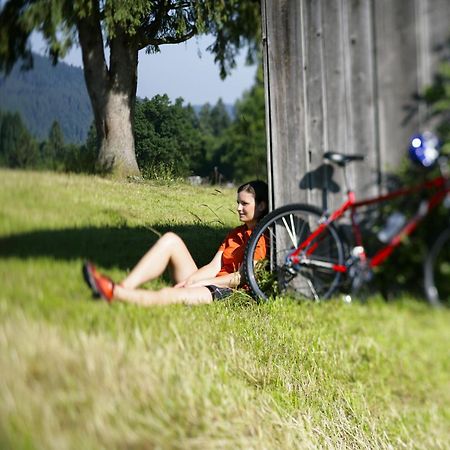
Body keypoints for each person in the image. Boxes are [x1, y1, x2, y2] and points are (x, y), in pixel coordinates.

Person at [82, 180, 268, 307]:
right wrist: (193, 280)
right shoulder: (236, 233)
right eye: (237, 202)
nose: (238, 208)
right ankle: (125, 286)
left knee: (169, 295)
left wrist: (202, 283)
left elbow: (241, 278)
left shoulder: (261, 238)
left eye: (244, 203)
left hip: (228, 291)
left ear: (261, 206)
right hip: (208, 282)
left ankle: (114, 292)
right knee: (170, 240)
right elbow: (214, 265)